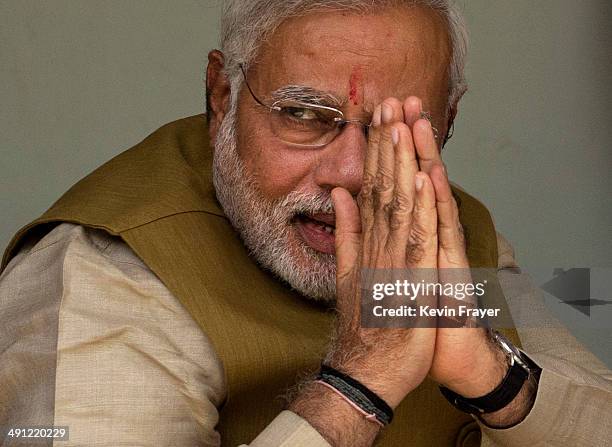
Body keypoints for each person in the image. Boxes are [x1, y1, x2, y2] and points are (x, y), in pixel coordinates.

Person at [1, 1, 610, 446]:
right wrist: (359, 384)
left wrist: (492, 376)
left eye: (393, 129)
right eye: (304, 115)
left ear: (446, 122)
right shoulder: (104, 270)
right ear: (221, 98)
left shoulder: (450, 232)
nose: (349, 173)